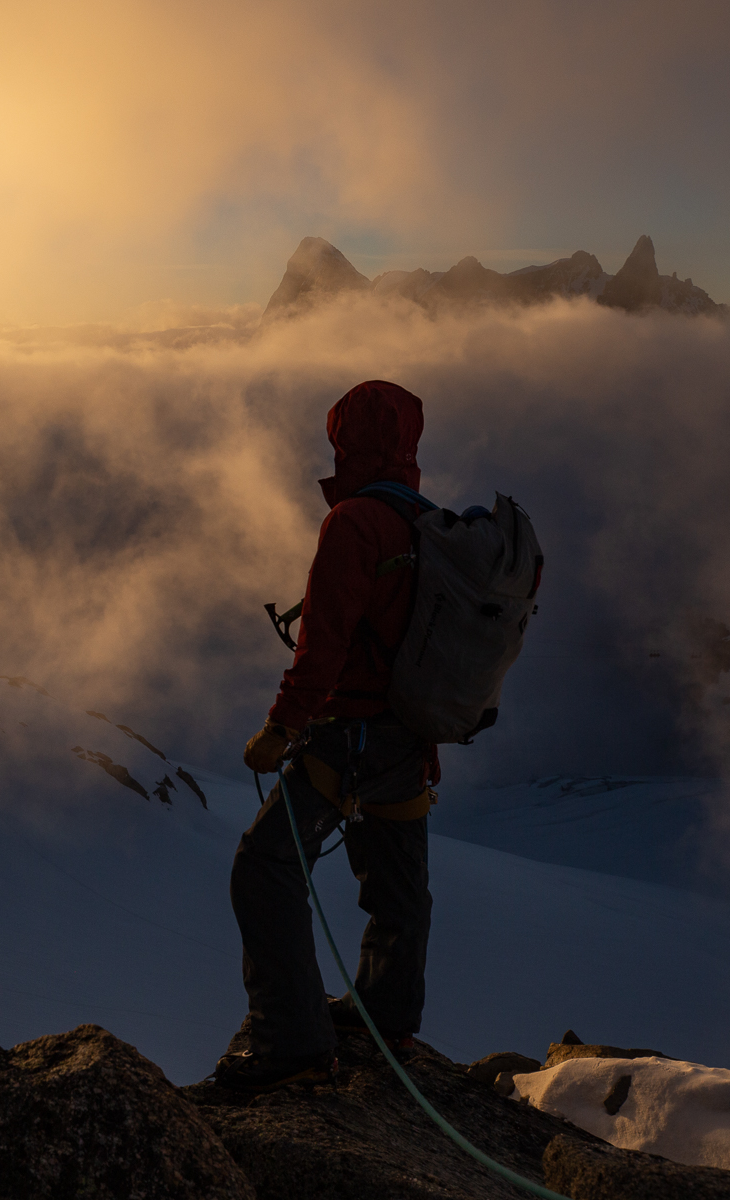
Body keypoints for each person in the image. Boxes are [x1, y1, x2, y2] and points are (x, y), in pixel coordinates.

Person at [214, 379, 442, 1093]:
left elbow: (325, 643)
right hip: (411, 737)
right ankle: (388, 1014)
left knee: (265, 868)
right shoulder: (427, 523)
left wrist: (283, 727)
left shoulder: (354, 523)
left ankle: (292, 1047)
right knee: (396, 876)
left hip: (349, 735)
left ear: (347, 441)